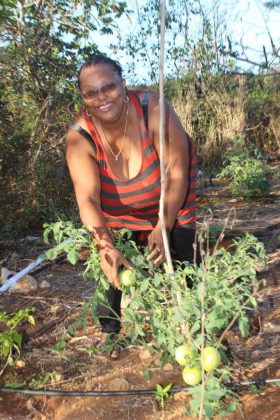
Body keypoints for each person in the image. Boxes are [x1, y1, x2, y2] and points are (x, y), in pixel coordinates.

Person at [66, 54, 197, 357]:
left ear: (123, 85)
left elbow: (176, 175)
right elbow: (87, 198)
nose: (101, 98)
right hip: (116, 208)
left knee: (182, 251)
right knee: (108, 261)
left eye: (108, 87)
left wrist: (163, 225)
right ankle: (110, 332)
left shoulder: (153, 110)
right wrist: (104, 246)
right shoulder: (79, 136)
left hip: (168, 195)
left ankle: (191, 323)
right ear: (83, 98)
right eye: (90, 93)